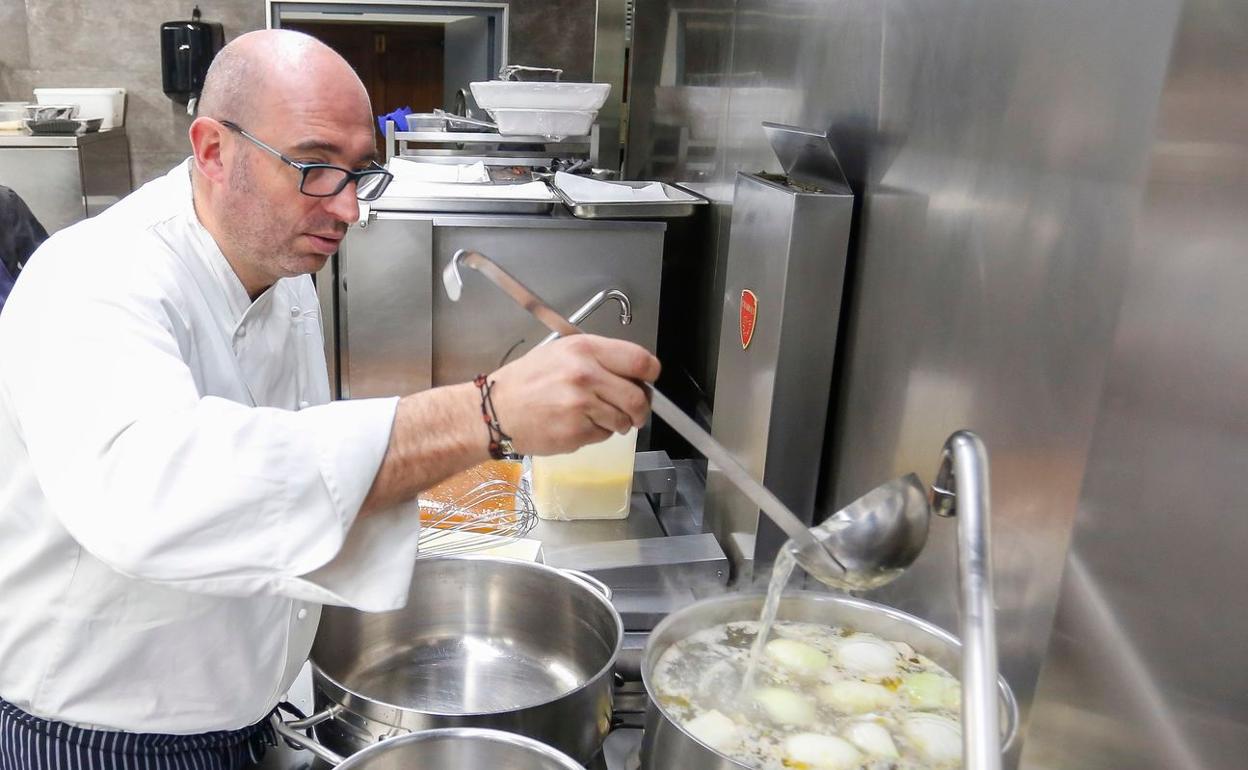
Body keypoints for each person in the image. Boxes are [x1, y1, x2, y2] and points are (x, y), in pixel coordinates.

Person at [0, 29, 658, 769]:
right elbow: (155, 494)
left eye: (361, 174)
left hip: (245, 712)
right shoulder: (92, 278)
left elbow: (287, 470)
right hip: (107, 738)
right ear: (212, 149)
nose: (347, 210)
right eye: (315, 168)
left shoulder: (281, 274)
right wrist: (485, 414)